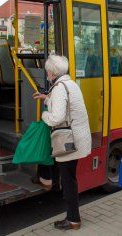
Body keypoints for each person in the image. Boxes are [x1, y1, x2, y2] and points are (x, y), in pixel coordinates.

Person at [32, 55, 92, 231]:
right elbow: (65, 106)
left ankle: (73, 219)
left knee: (69, 180)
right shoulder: (70, 84)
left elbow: (57, 117)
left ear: (51, 72)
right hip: (77, 139)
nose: (47, 73)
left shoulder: (59, 89)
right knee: (68, 177)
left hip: (69, 143)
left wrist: (44, 115)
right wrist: (46, 98)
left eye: (47, 71)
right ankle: (46, 179)